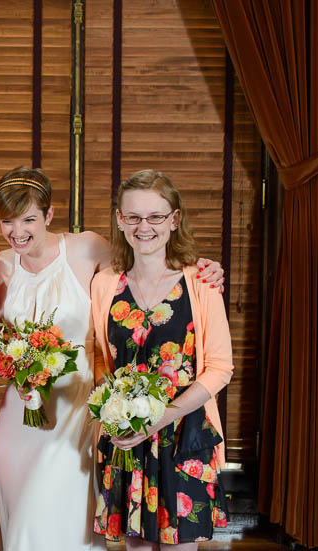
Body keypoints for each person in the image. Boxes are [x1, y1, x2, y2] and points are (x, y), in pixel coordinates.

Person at [0, 167, 224, 550]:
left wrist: (203, 269)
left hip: (76, 409)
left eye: (29, 218)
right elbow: (0, 340)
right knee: (21, 519)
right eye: (7, 221)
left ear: (48, 215)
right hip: (23, 410)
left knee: (59, 515)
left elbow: (150, 263)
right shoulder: (0, 265)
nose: (18, 230)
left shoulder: (87, 249)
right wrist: (12, 362)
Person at [91, 169, 232, 549]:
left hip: (183, 434)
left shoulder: (201, 284)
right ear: (120, 220)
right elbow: (101, 357)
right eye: (133, 217)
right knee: (135, 546)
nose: (144, 227)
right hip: (128, 438)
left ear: (174, 220)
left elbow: (220, 367)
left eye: (155, 216)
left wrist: (164, 415)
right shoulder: (105, 284)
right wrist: (114, 410)